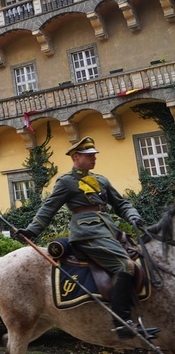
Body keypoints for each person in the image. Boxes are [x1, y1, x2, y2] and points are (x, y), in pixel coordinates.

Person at [17, 137, 160, 340]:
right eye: (89, 155)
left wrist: (134, 216)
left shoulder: (101, 180)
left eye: (94, 155)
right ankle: (122, 324)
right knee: (125, 266)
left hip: (109, 231)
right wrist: (31, 231)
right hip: (87, 234)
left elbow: (121, 203)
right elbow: (48, 208)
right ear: (76, 157)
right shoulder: (66, 182)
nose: (94, 158)